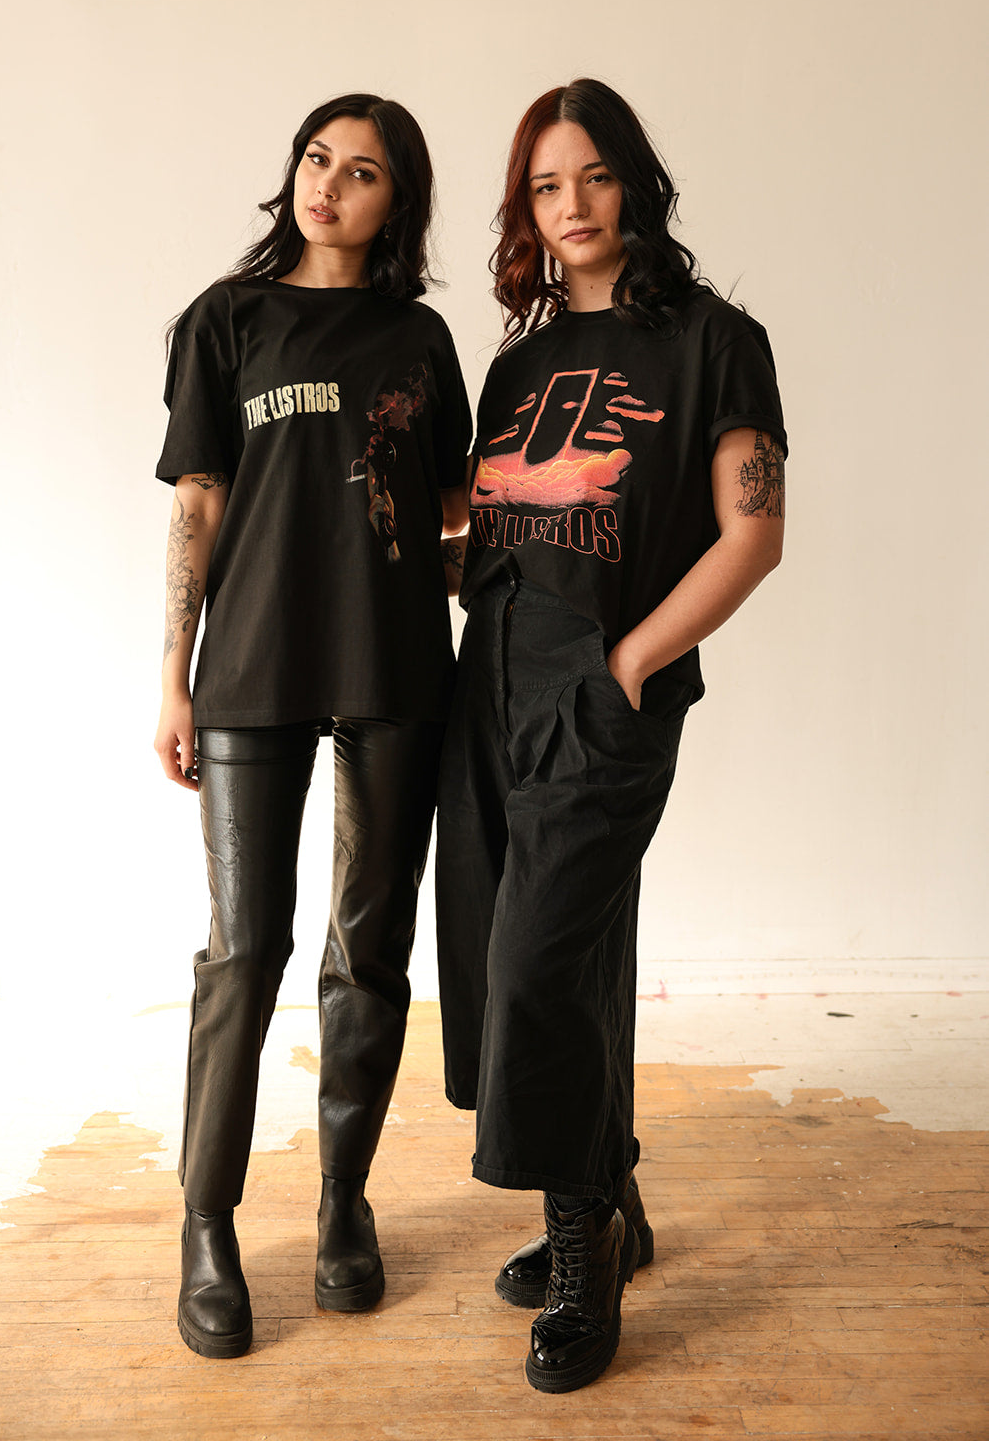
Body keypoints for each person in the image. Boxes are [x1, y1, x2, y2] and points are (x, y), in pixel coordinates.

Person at [435, 79, 786, 1394]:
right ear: (523, 210)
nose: (569, 204)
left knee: (536, 967)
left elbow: (752, 532)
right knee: (540, 959)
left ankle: (582, 1253)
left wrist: (633, 661)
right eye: (543, 185)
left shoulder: (714, 341)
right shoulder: (516, 365)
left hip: (603, 686)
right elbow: (495, 529)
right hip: (491, 679)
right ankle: (612, 1199)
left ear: (632, 180)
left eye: (590, 175)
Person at [154, 93, 471, 1359]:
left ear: (399, 203)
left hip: (394, 664)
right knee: (244, 951)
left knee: (370, 949)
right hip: (250, 664)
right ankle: (206, 1223)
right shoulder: (225, 321)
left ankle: (344, 1200)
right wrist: (171, 676)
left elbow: (449, 506)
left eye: (363, 171)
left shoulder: (418, 338)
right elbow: (198, 505)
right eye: (315, 158)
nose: (328, 183)